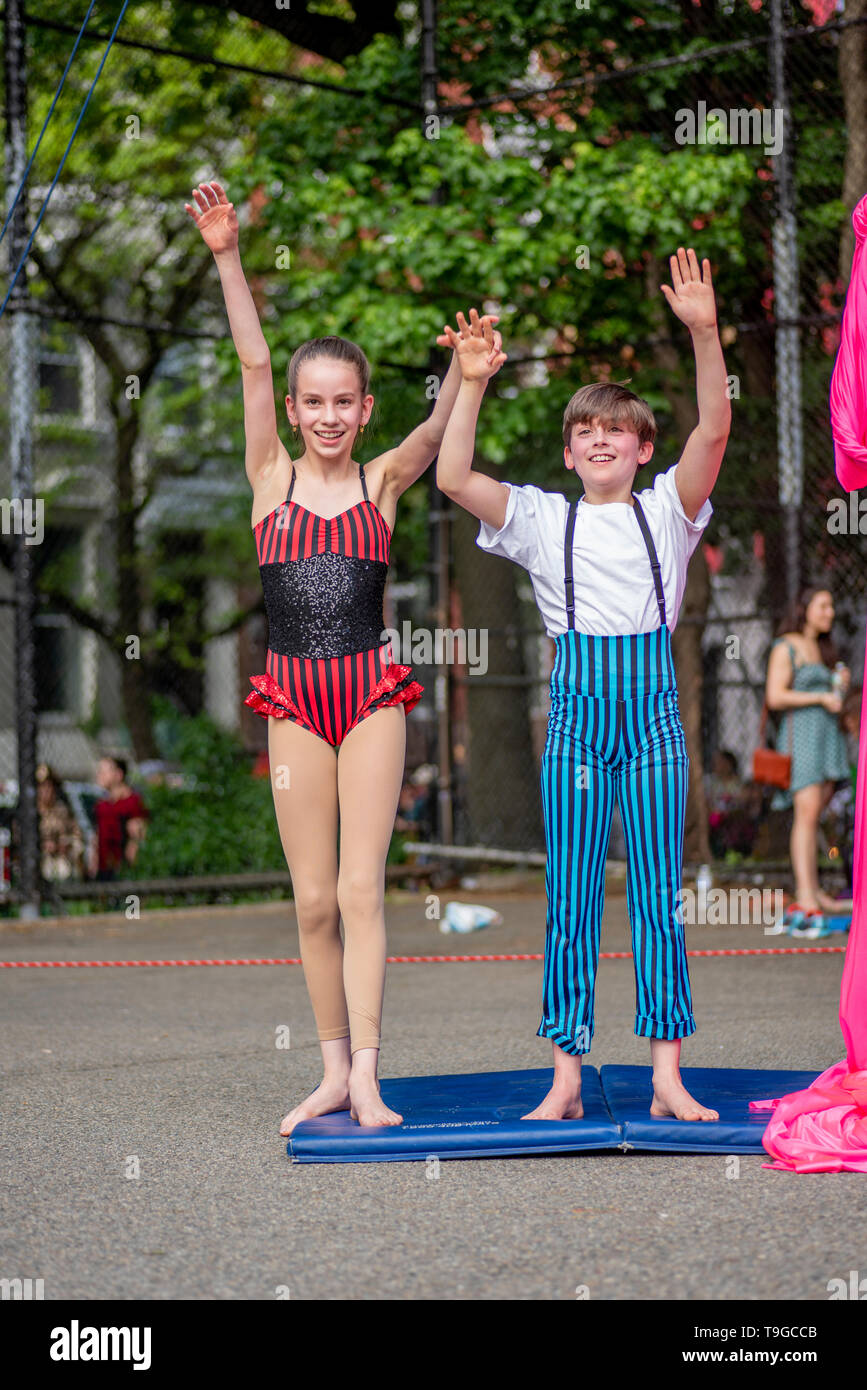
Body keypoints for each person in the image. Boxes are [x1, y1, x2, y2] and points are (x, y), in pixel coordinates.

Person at [185, 179, 500, 1135]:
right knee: (314, 898)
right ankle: (327, 1070)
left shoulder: (380, 479)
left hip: (367, 694)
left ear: (364, 410)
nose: (326, 416)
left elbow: (437, 433)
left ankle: (368, 1074)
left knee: (363, 887)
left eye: (342, 403)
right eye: (311, 402)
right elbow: (250, 356)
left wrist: (468, 374)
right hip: (292, 700)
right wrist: (228, 255)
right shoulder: (268, 477)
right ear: (293, 407)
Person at [437, 247, 730, 1122]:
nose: (599, 438)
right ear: (567, 452)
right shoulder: (540, 518)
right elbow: (453, 477)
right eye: (582, 431)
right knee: (568, 894)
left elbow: (712, 429)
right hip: (574, 718)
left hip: (649, 718)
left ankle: (667, 1073)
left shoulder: (668, 510)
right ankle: (565, 1075)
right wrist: (472, 381)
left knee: (654, 891)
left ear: (642, 448)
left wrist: (706, 334)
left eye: (616, 430)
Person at [764, 587, 853, 926]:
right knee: (805, 814)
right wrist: (818, 698)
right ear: (805, 609)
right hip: (801, 739)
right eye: (823, 605)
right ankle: (805, 895)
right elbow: (775, 696)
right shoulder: (785, 645)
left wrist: (838, 688)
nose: (830, 612)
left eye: (831, 605)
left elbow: (830, 697)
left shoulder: (823, 650)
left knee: (813, 816)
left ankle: (815, 892)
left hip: (826, 738)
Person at [88, 755, 149, 880]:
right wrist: (94, 861)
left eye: (104, 771)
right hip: (104, 867)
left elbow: (137, 835)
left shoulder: (132, 802)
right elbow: (97, 835)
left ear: (118, 774)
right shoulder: (101, 805)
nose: (99, 774)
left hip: (124, 867)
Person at [36, 763, 84, 881]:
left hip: (61, 856)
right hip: (39, 857)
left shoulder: (63, 810)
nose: (46, 791)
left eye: (49, 786)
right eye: (42, 787)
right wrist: (43, 846)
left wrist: (65, 844)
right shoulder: (30, 812)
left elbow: (77, 834)